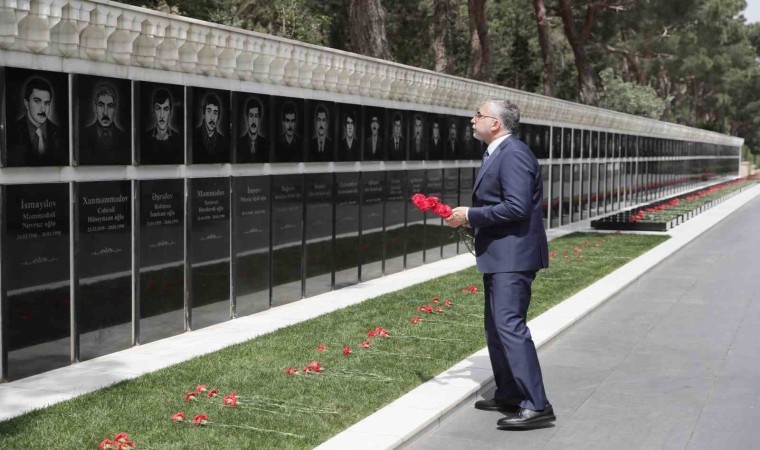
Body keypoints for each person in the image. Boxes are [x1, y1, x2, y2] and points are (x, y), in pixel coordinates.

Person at [445, 100, 553, 430]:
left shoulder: (514, 154)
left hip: (514, 255)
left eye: (477, 114)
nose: (471, 118)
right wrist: (468, 219)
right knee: (495, 327)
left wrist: (471, 215)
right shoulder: (496, 152)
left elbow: (517, 207)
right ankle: (508, 392)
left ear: (495, 123)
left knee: (510, 327)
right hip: (499, 253)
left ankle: (537, 404)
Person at [7, 77, 67, 166]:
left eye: (47, 103)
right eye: (37, 101)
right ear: (27, 103)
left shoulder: (59, 133)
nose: (43, 109)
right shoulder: (10, 132)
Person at [79, 83, 129, 165]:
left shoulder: (126, 139)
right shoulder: (82, 136)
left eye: (110, 106)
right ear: (95, 107)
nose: (105, 112)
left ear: (115, 109)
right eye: (101, 105)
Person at [142, 88, 183, 164]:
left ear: (170, 112)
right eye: (158, 108)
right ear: (153, 110)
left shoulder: (179, 140)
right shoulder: (144, 139)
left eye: (166, 109)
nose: (162, 115)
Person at [193, 93, 228, 163]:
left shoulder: (223, 142)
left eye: (215, 113)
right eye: (209, 111)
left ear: (218, 117)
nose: (212, 118)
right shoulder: (193, 137)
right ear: (204, 113)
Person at [237, 97, 268, 163]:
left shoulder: (265, 144)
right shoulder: (239, 143)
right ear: (247, 117)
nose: (253, 121)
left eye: (256, 116)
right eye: (251, 115)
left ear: (259, 119)